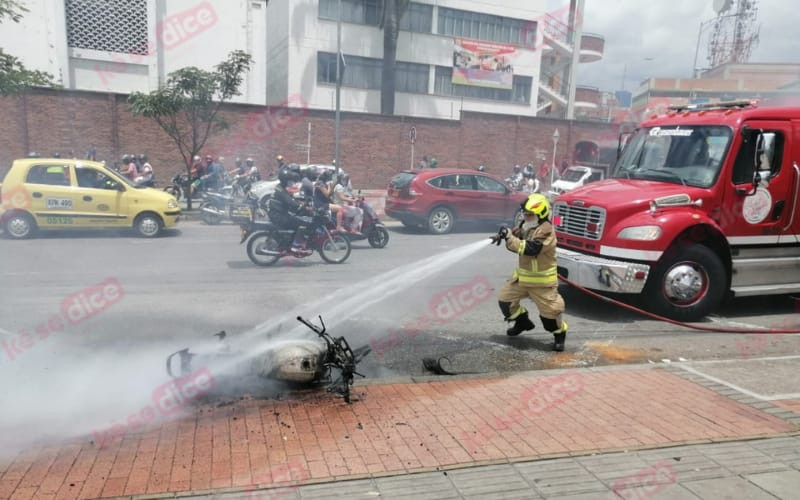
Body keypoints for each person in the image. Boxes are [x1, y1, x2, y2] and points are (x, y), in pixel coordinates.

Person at [491, 193, 568, 352]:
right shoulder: (527, 224)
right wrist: (503, 233)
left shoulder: (546, 231)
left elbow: (531, 248)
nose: (525, 216)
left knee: (550, 317)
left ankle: (560, 334)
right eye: (525, 213)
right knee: (505, 302)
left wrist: (509, 239)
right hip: (522, 279)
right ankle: (523, 322)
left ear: (540, 214)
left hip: (542, 284)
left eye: (529, 214)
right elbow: (517, 233)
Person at [268, 168, 312, 254]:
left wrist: (299, 203)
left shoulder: (280, 187)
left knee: (296, 219)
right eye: (288, 180)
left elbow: (290, 199)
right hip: (279, 216)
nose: (290, 182)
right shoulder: (281, 190)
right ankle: (296, 245)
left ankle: (291, 242)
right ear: (285, 180)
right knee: (301, 222)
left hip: (277, 213)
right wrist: (301, 206)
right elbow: (289, 201)